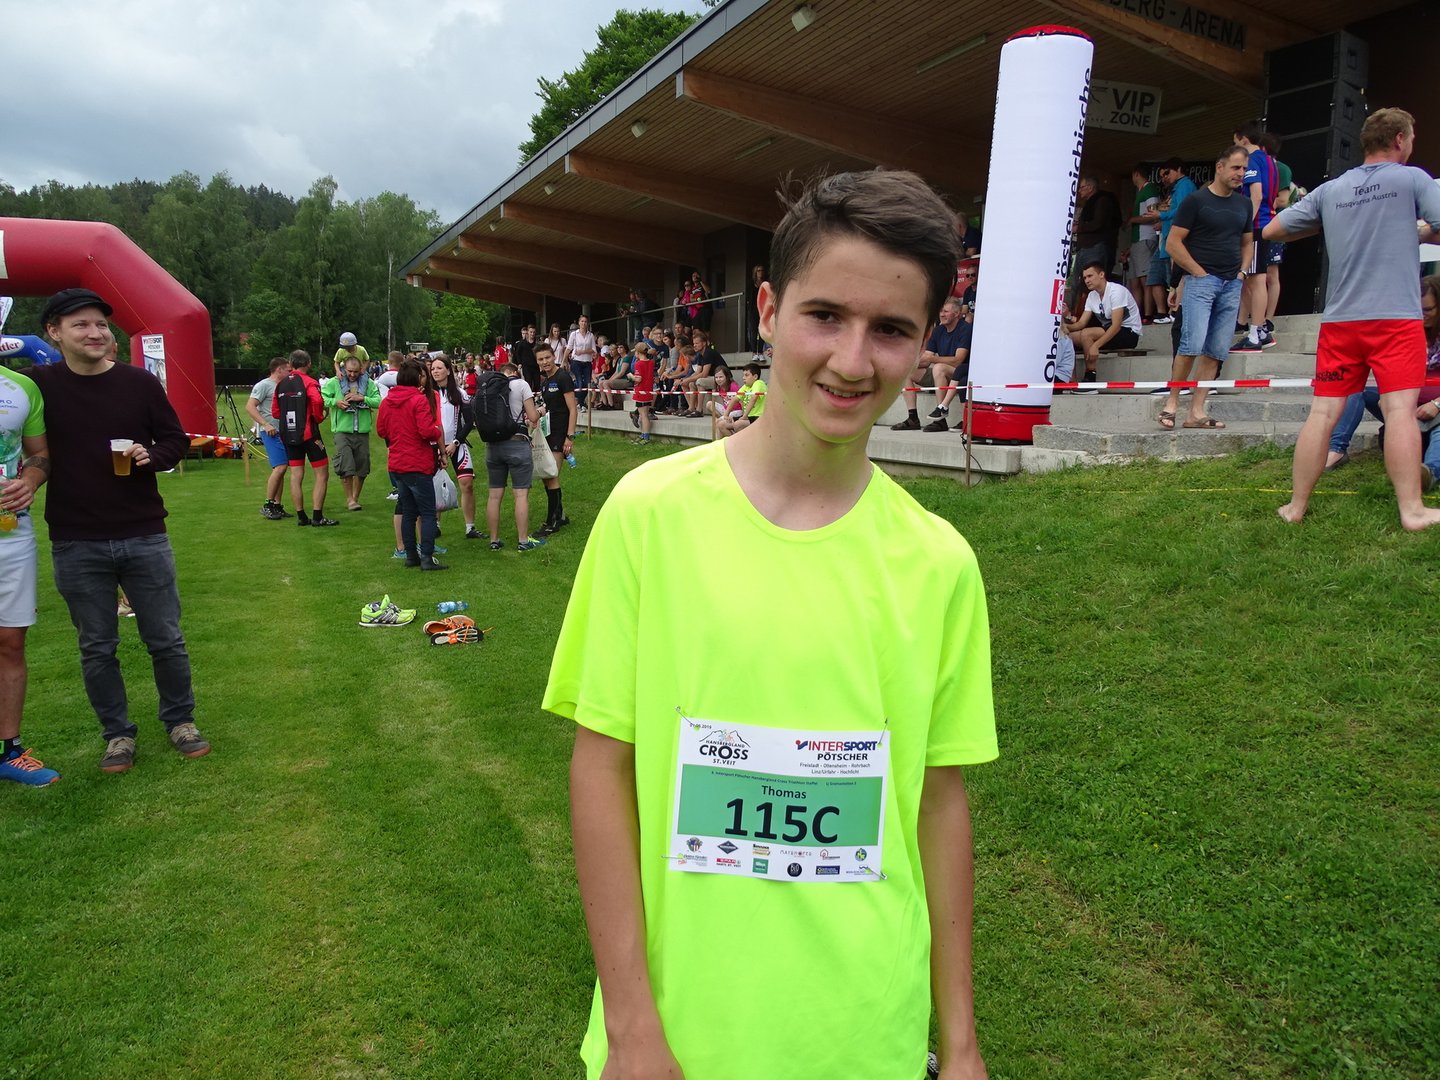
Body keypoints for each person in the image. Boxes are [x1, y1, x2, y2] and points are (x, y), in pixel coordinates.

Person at [544, 170, 997, 1080]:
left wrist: (960, 1045)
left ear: (924, 344)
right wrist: (632, 1030)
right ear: (767, 310)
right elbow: (601, 769)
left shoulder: (939, 563)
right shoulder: (650, 516)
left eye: (891, 329)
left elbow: (938, 804)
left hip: (864, 1036)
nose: (852, 360)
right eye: (825, 315)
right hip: (679, 1035)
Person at [33, 288, 210, 773]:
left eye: (100, 324)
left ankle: (181, 720)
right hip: (75, 537)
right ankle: (117, 735)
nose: (95, 333)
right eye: (81, 325)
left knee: (165, 638)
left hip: (143, 532)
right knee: (96, 647)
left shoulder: (139, 383)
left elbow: (174, 439)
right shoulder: (38, 386)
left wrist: (152, 455)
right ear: (54, 332)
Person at [1266, 107, 1440, 531]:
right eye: (1411, 138)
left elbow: (1273, 230)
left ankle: (1295, 507)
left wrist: (1329, 223)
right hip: (1395, 319)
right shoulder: (1412, 178)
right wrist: (1420, 231)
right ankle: (1412, 511)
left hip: (1341, 321)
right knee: (1399, 411)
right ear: (1399, 140)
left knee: (1323, 412)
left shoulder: (1332, 189)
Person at [1156, 145, 1252, 431]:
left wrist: (1242, 273)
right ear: (1219, 167)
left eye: (1244, 169)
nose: (1241, 173)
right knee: (1191, 344)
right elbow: (1172, 243)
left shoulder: (1244, 204)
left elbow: (1248, 242)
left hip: (1231, 283)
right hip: (1202, 282)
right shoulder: (1196, 201)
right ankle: (1171, 404)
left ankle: (1196, 411)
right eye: (1236, 167)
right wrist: (1197, 273)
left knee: (1216, 350)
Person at [0, 362, 57, 785]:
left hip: (10, 532)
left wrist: (31, 480)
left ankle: (9, 751)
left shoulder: (20, 386)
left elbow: (39, 455)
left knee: (10, 641)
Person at [375, 358, 447, 569]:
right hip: (417, 462)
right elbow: (426, 431)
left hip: (397, 463)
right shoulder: (418, 400)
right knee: (427, 512)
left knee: (408, 511)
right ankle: (427, 557)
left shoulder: (387, 401)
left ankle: (411, 555)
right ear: (417, 378)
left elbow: (381, 430)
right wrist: (436, 432)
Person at [468, 362, 545, 551]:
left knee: (494, 496)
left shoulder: (488, 388)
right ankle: (523, 541)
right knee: (520, 494)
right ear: (515, 372)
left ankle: (494, 540)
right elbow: (532, 417)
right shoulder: (521, 384)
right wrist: (541, 411)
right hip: (517, 443)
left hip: (493, 446)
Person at [273, 350, 338, 526]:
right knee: (322, 473)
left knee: (296, 474)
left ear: (290, 363)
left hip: (288, 434)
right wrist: (319, 417)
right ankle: (317, 516)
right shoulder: (310, 382)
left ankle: (301, 516)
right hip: (309, 433)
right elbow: (317, 401)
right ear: (308, 363)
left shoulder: (281, 384)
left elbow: (276, 411)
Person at [891, 297, 971, 431]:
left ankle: (941, 419)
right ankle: (913, 418)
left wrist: (932, 359)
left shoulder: (965, 329)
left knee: (939, 368)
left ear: (957, 314)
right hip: (940, 374)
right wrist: (907, 362)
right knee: (907, 372)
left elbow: (958, 360)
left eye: (945, 311)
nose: (941, 314)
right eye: (940, 311)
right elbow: (926, 359)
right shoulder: (938, 330)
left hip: (960, 375)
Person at [430, 355, 479, 539]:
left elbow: (469, 421)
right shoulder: (427, 394)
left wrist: (456, 442)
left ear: (448, 370)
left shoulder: (460, 393)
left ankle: (470, 527)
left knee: (467, 484)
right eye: (433, 368)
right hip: (434, 446)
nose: (435, 371)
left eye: (439, 368)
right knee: (435, 485)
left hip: (457, 444)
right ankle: (435, 525)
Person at [1069, 261, 1143, 382]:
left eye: (1090, 276)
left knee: (1087, 334)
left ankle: (1090, 376)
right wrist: (1064, 327)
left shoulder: (1117, 291)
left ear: (1101, 274)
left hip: (1129, 332)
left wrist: (1095, 346)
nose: (1087, 280)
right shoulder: (1091, 296)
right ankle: (1071, 380)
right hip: (1108, 330)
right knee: (1069, 337)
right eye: (1085, 278)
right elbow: (1081, 323)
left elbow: (1116, 326)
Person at [323, 355, 380, 512]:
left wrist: (363, 398)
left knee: (362, 467)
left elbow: (379, 401)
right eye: (349, 371)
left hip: (362, 431)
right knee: (346, 465)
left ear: (361, 369)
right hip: (342, 431)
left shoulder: (368, 383)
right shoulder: (334, 382)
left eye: (355, 371)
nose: (352, 374)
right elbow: (321, 398)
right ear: (343, 368)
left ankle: (355, 497)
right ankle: (349, 499)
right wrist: (336, 402)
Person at [535, 342, 577, 536]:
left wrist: (569, 436)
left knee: (551, 475)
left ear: (554, 356)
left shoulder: (562, 377)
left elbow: (572, 409)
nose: (545, 362)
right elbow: (550, 407)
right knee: (547, 475)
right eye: (541, 359)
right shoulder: (545, 381)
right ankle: (560, 515)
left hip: (561, 434)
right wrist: (538, 412)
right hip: (549, 432)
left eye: (547, 357)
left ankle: (552, 522)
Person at [246, 355, 293, 519]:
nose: (290, 373)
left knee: (281, 469)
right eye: (288, 370)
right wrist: (265, 424)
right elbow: (250, 406)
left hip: (284, 432)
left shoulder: (283, 385)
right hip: (271, 432)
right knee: (280, 467)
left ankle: (277, 505)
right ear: (279, 370)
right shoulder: (264, 385)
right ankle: (267, 504)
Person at [1128, 165, 1162, 321]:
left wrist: (1132, 220)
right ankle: (1136, 316)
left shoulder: (1150, 189)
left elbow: (1153, 215)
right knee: (1134, 281)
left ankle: (1147, 315)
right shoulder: (1140, 192)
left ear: (1136, 174)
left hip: (1146, 238)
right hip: (1136, 241)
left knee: (1145, 280)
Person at [717, 361, 766, 437]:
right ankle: (733, 442)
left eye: (746, 375)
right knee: (721, 424)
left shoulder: (759, 383)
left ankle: (742, 443)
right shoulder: (745, 386)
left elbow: (753, 398)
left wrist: (744, 416)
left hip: (758, 417)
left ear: (755, 376)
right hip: (747, 417)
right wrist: (726, 415)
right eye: (743, 375)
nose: (743, 378)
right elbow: (734, 399)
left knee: (738, 424)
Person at [565, 315, 596, 411]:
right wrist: (564, 361)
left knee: (587, 383)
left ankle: (580, 401)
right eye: (582, 321)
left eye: (585, 321)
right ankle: (582, 404)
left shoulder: (590, 335)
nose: (583, 323)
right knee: (579, 381)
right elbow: (569, 348)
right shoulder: (574, 334)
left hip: (587, 362)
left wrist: (583, 351)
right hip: (576, 361)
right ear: (579, 323)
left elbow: (593, 350)